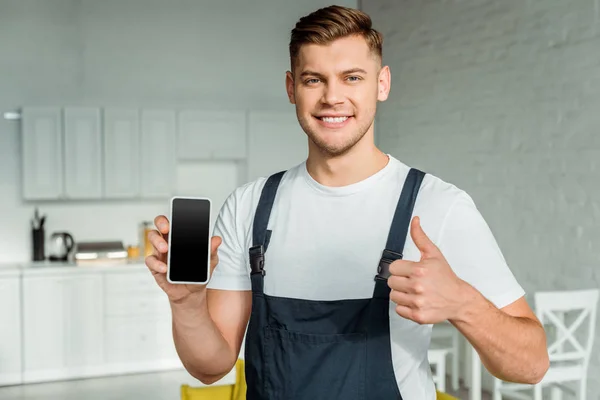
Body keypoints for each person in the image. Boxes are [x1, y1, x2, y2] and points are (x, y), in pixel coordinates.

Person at [145, 5, 549, 399]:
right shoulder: (249, 206)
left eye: (352, 77)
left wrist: (463, 303)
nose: (332, 97)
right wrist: (187, 303)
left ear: (382, 83)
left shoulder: (439, 206)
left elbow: (531, 365)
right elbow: (210, 366)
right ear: (291, 88)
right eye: (313, 80)